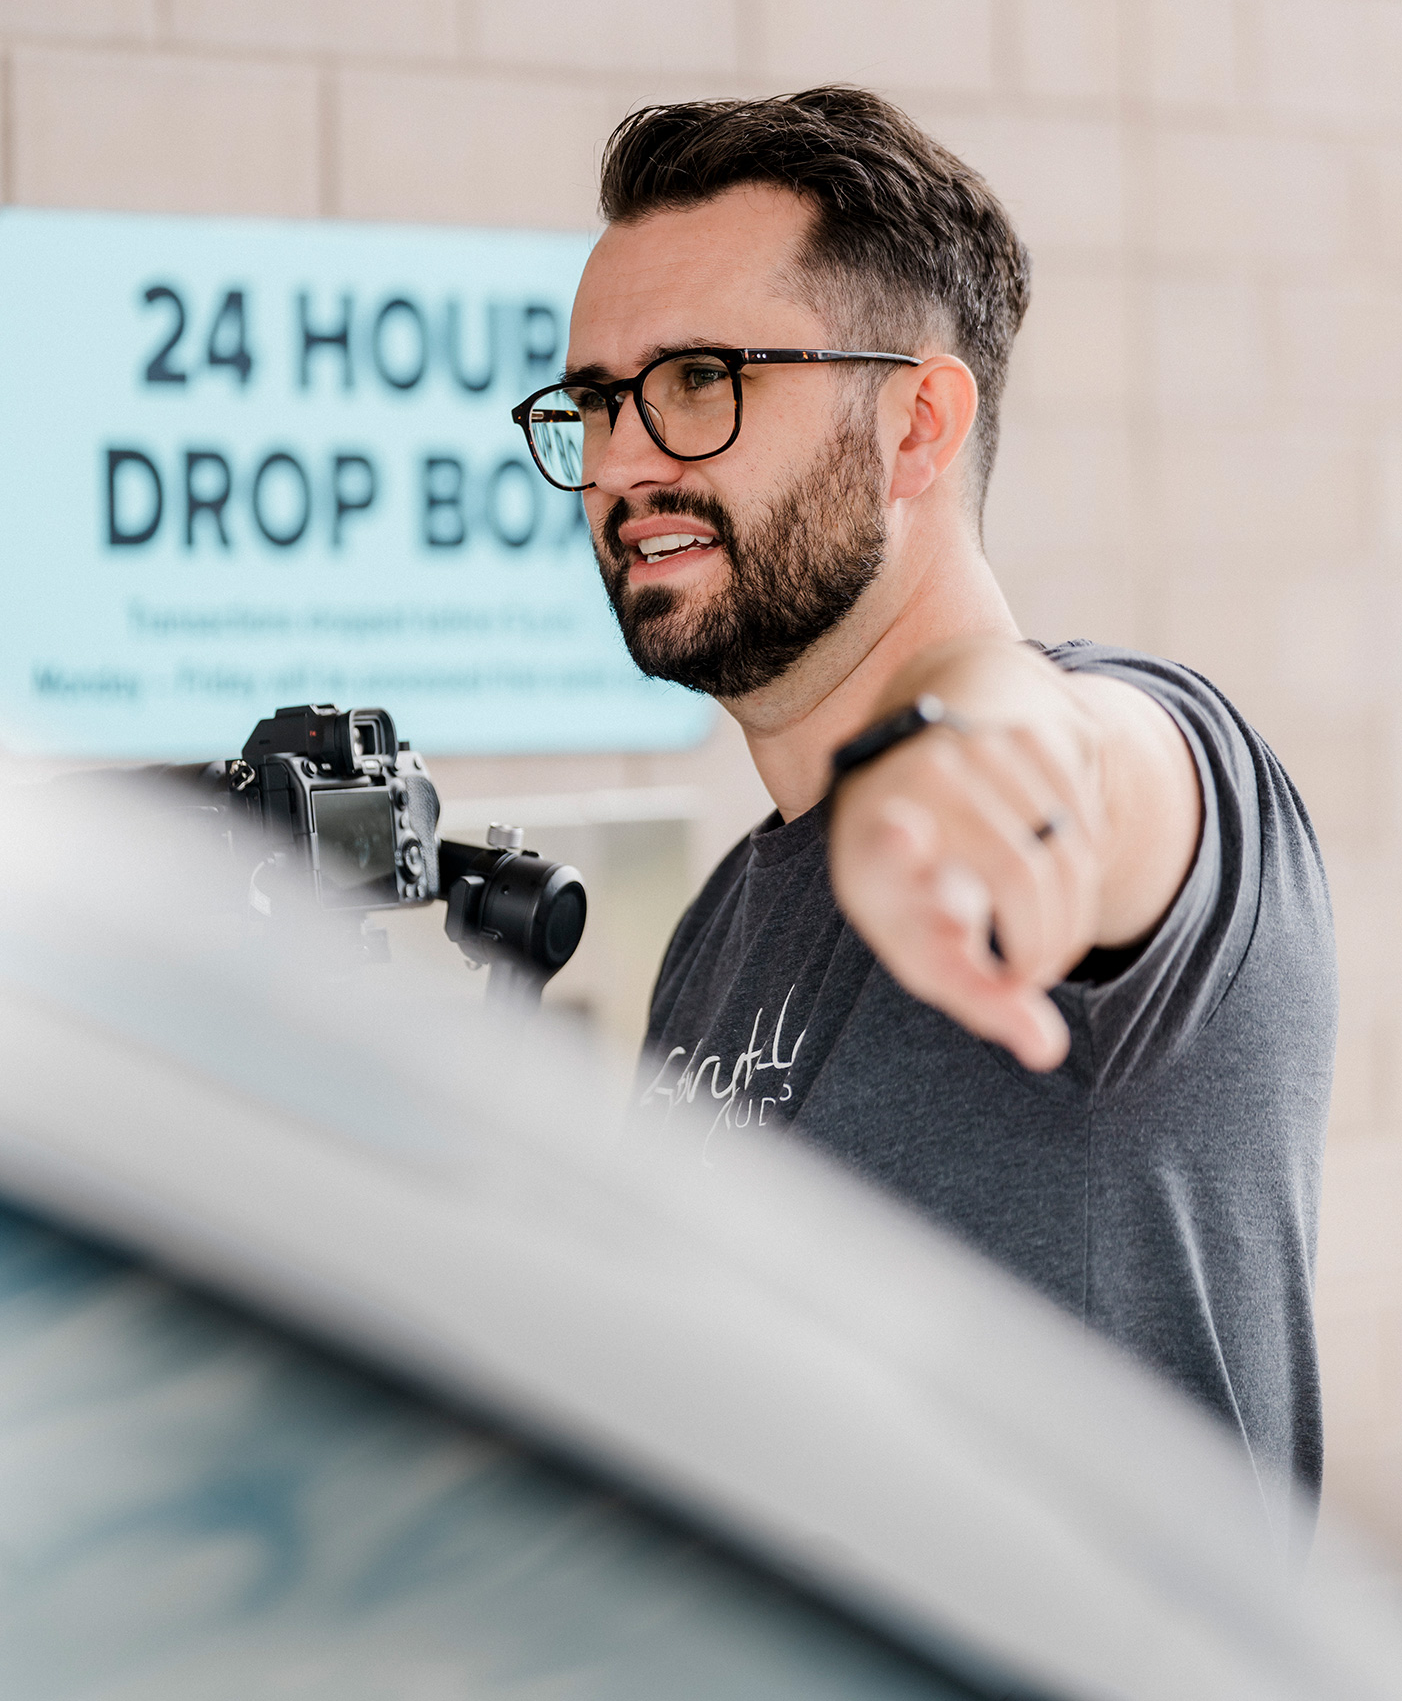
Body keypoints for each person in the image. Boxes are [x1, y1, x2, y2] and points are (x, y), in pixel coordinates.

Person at [511, 87, 1337, 1532]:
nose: (626, 456)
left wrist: (965, 736)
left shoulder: (1149, 763)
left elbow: (1066, 756)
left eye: (700, 378)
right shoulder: (729, 921)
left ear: (915, 424)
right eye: (594, 398)